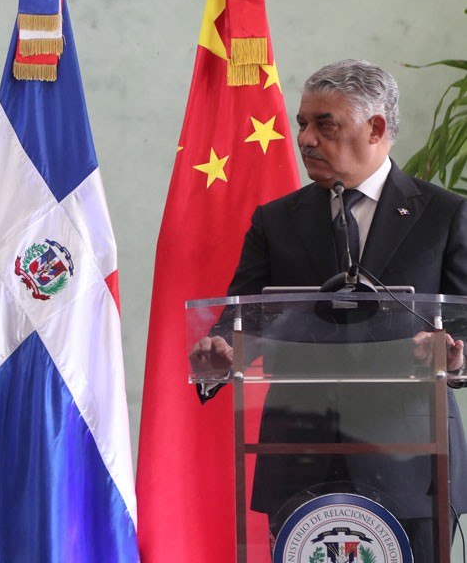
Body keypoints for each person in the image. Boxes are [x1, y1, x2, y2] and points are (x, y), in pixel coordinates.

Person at [189, 59, 467, 559]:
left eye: (324, 123)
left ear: (376, 128)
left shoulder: (444, 214)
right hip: (298, 455)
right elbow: (239, 320)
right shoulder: (276, 221)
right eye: (302, 122)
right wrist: (220, 352)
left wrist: (456, 355)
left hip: (413, 461)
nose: (305, 138)